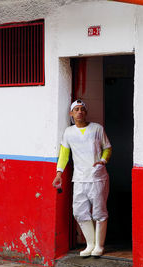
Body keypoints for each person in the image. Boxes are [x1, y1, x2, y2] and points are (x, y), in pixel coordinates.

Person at [52, 99, 112, 257]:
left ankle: (99, 246)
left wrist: (103, 161)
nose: (79, 112)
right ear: (71, 113)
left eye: (82, 109)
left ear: (86, 112)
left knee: (99, 212)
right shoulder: (68, 132)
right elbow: (64, 154)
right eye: (76, 109)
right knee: (79, 212)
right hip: (79, 178)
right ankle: (90, 244)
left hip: (97, 177)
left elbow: (107, 148)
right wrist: (59, 173)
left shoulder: (97, 129)